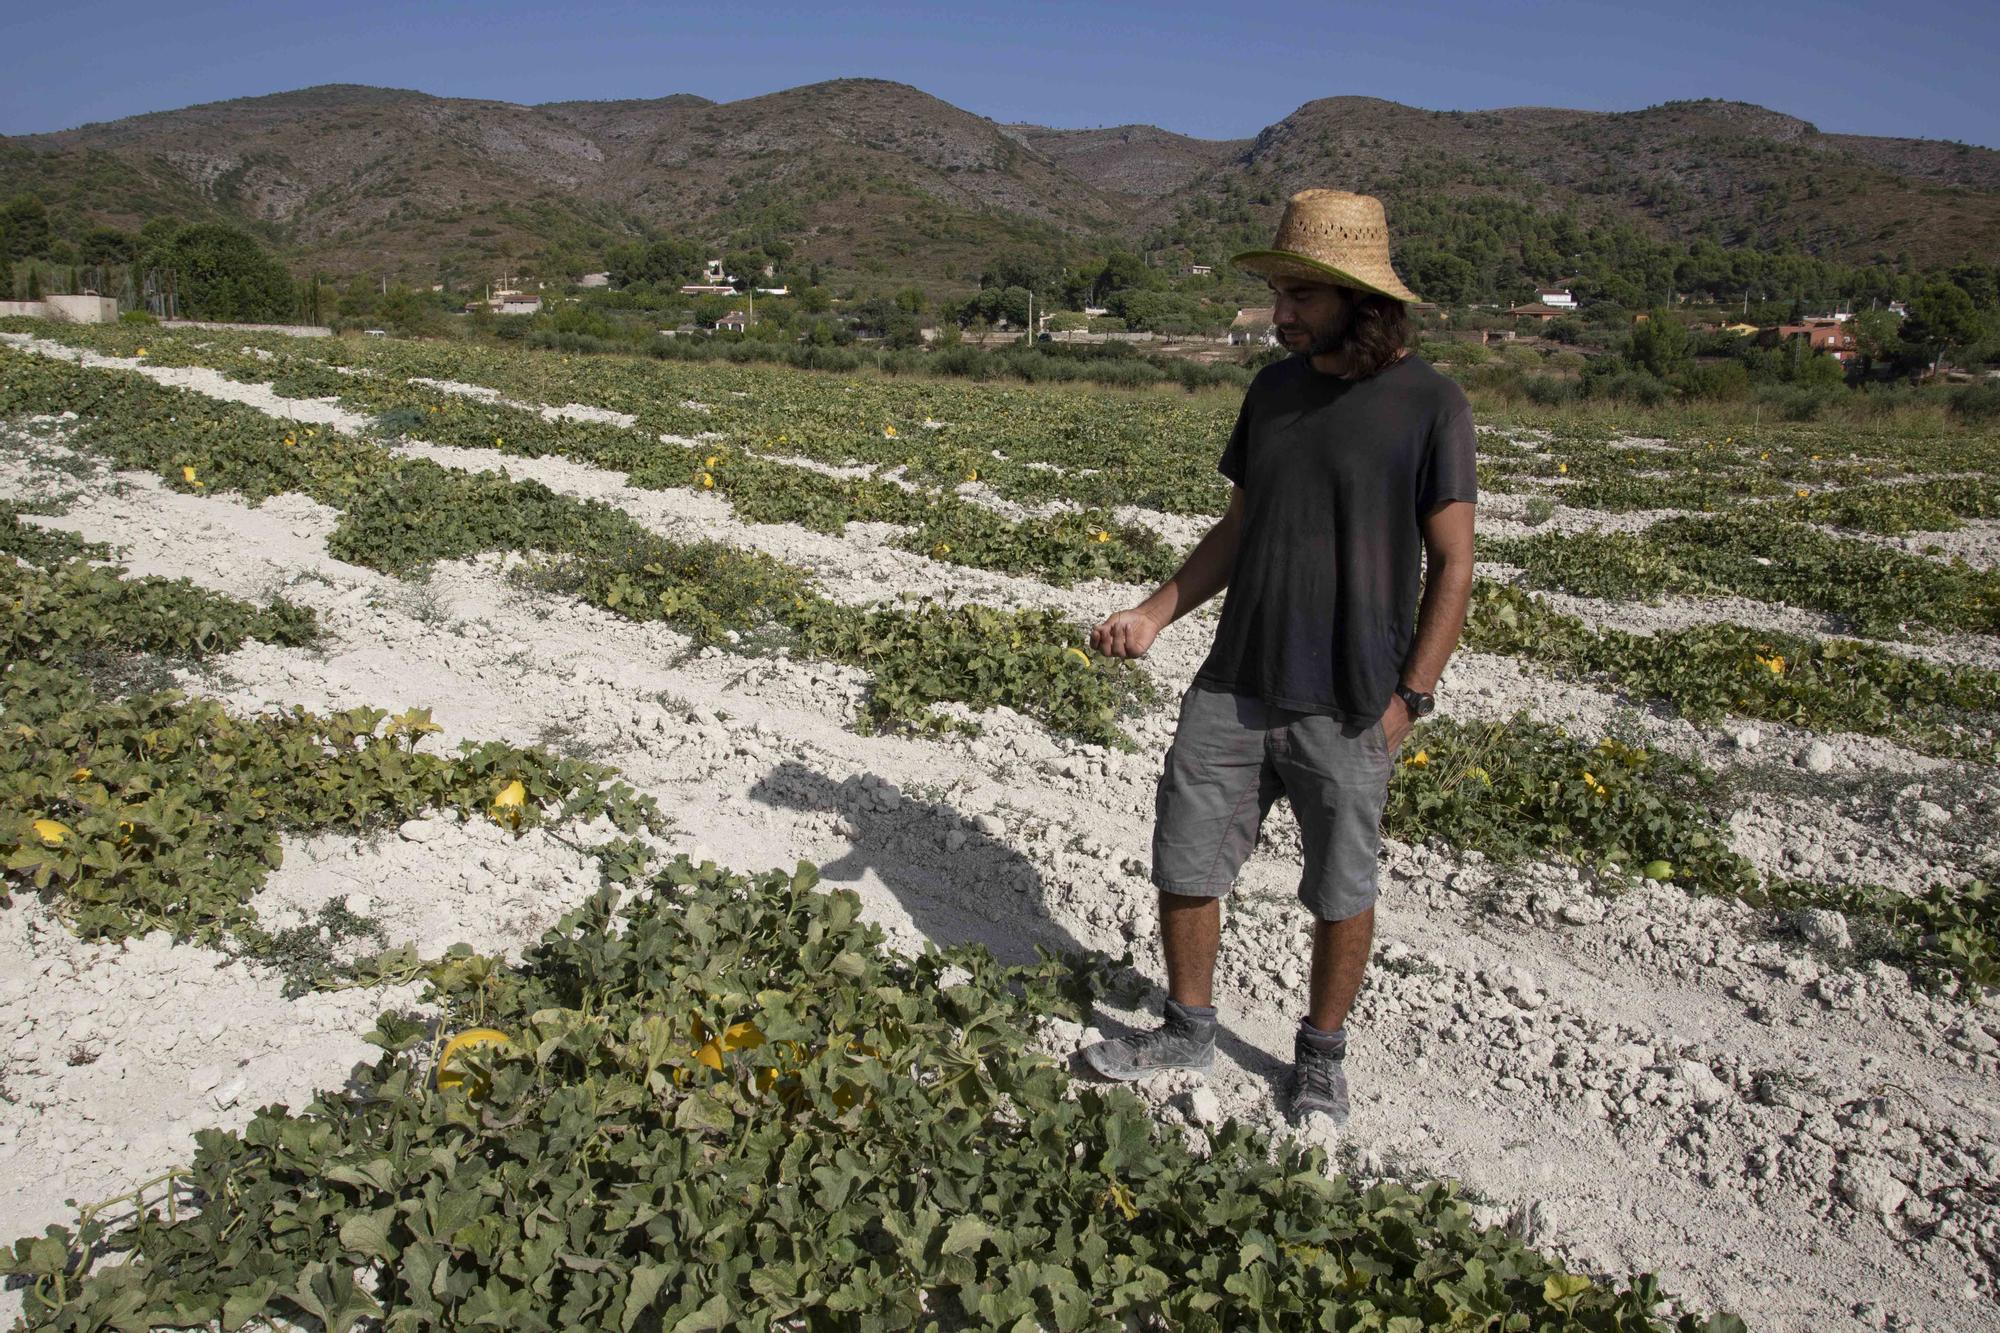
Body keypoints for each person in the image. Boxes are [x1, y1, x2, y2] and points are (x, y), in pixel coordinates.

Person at [1078, 190, 1477, 1125]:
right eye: (1280, 294)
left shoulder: (1431, 404)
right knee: (1184, 854)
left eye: (1299, 295)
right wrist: (1154, 613)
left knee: (1341, 887)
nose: (1280, 314)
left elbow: (1455, 561)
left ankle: (1322, 1057)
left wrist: (1409, 698)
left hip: (1350, 699)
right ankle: (1187, 1027)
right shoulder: (1272, 393)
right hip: (1236, 677)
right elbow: (1238, 528)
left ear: (1359, 298)